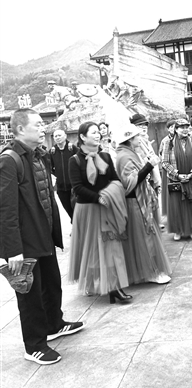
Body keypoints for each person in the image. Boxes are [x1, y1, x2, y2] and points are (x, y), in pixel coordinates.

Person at [0, 108, 84, 365]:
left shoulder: (40, 155)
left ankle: (54, 324)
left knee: (51, 284)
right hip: (25, 243)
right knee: (30, 295)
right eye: (37, 125)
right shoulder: (9, 160)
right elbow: (6, 210)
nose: (43, 128)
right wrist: (13, 250)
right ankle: (34, 345)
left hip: (43, 235)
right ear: (20, 129)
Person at [68, 121, 131, 303]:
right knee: (92, 249)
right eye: (93, 132)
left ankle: (114, 287)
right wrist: (97, 198)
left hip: (107, 207)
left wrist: (109, 195)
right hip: (87, 210)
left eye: (98, 132)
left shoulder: (105, 156)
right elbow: (77, 188)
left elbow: (115, 179)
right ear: (82, 137)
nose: (98, 135)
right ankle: (95, 283)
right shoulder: (75, 160)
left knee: (110, 246)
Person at [115, 126, 172, 285]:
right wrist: (149, 165)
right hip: (135, 202)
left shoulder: (129, 153)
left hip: (139, 201)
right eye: (137, 136)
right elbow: (130, 183)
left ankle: (149, 271)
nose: (140, 139)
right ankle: (151, 272)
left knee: (145, 236)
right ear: (130, 140)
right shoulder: (124, 157)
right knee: (145, 237)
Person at [162, 118, 192, 240]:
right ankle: (178, 230)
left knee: (191, 204)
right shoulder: (168, 143)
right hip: (175, 180)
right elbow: (164, 162)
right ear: (176, 129)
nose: (185, 130)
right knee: (176, 206)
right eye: (182, 127)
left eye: (187, 127)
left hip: (190, 178)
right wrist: (177, 174)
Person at [50, 128, 78, 222]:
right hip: (61, 187)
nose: (57, 137)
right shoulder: (53, 151)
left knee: (76, 208)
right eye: (55, 136)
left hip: (73, 186)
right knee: (67, 208)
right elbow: (50, 167)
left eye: (59, 135)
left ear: (65, 136)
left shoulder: (72, 148)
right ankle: (74, 223)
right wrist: (56, 176)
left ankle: (77, 225)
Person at [159, 119, 176, 218]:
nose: (173, 128)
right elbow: (161, 155)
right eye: (171, 127)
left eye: (175, 126)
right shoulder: (165, 140)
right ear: (168, 129)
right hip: (168, 168)